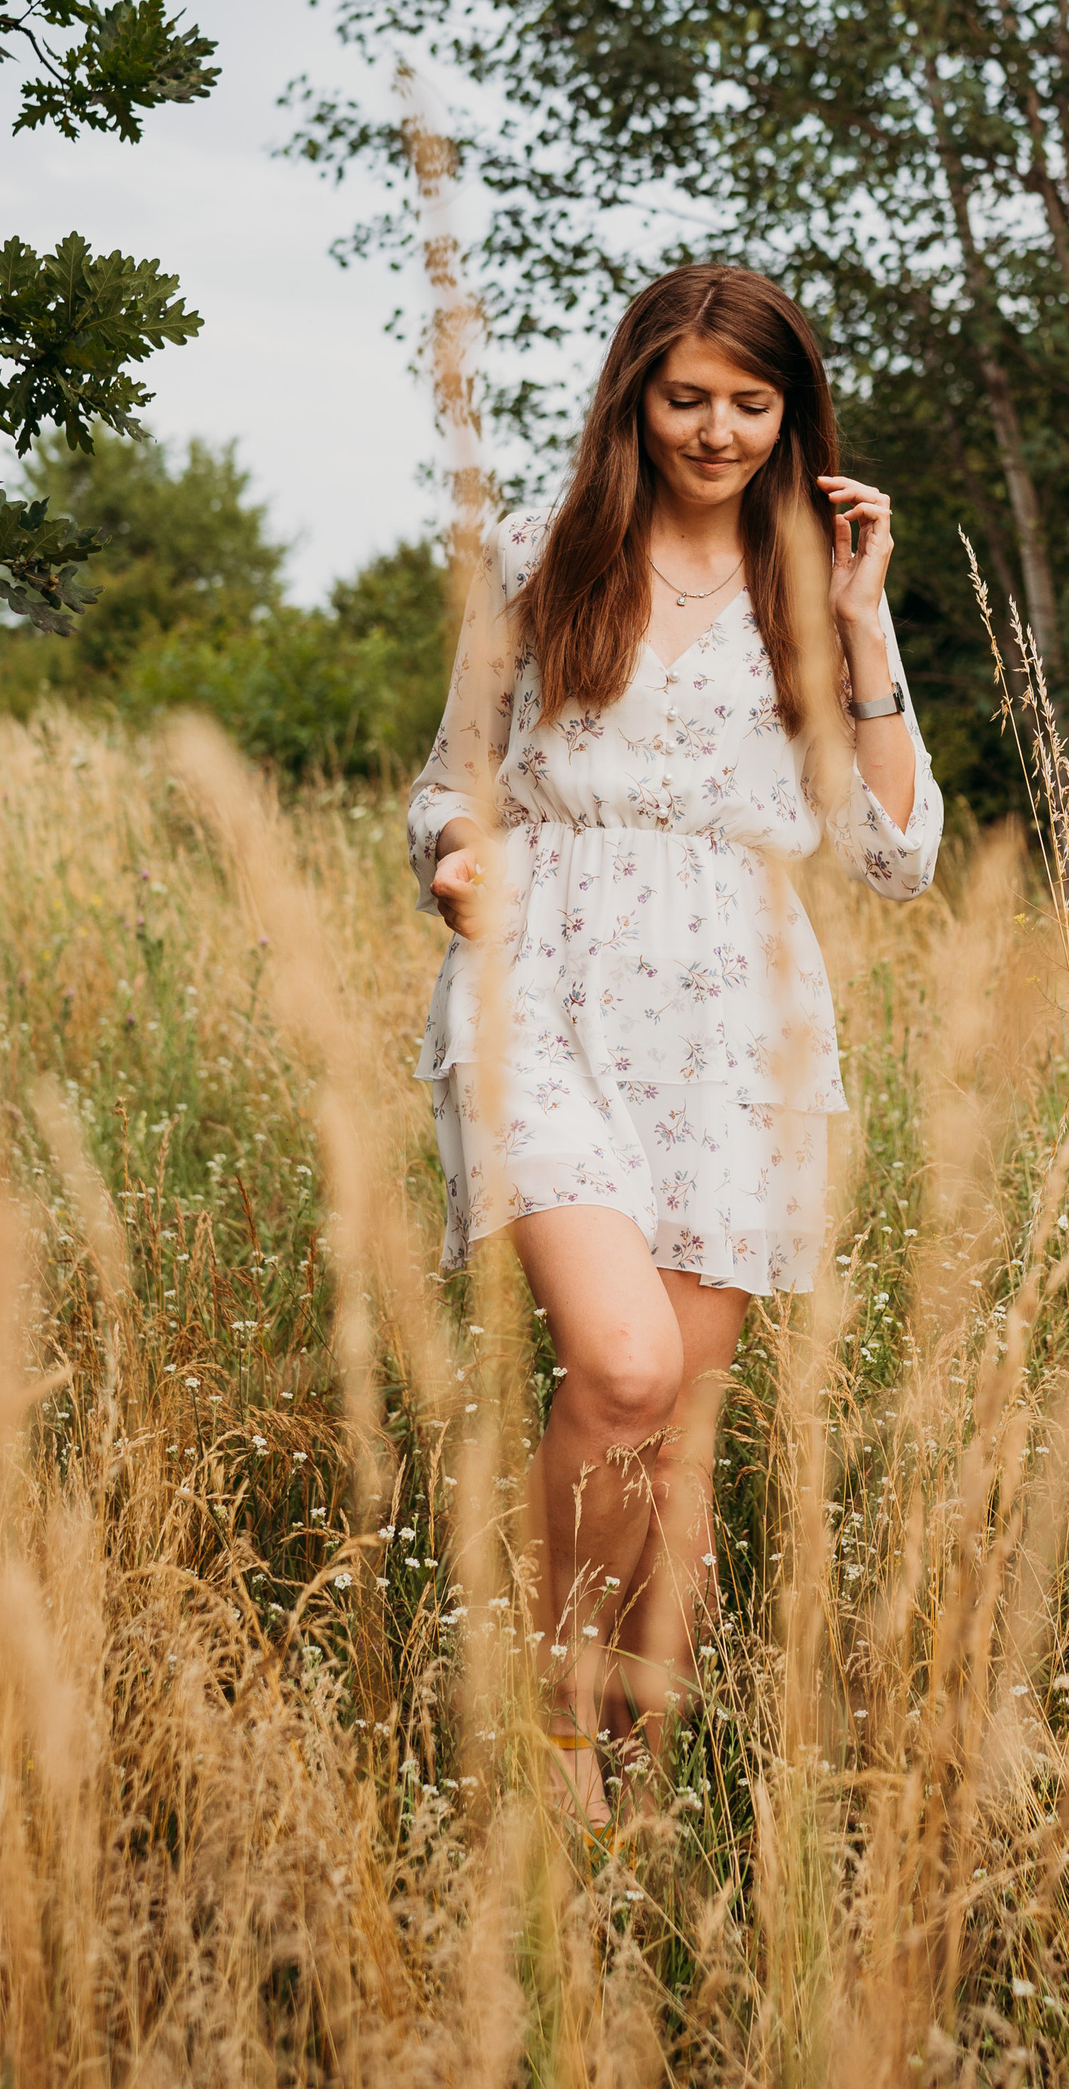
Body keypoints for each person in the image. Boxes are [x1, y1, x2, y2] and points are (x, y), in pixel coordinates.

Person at [405, 264, 943, 1825]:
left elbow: (899, 856)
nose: (717, 431)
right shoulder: (542, 555)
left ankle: (639, 1779)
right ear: (635, 398)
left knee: (672, 1447)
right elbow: (449, 785)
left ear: (793, 416)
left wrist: (865, 620)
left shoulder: (808, 586)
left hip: (733, 1018)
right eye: (687, 398)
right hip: (543, 980)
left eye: (750, 404)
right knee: (624, 1370)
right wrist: (455, 862)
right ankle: (551, 1725)